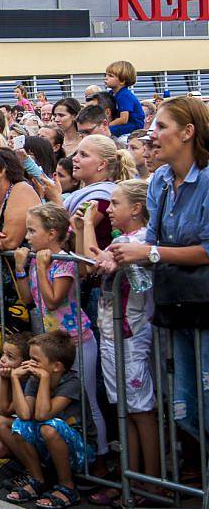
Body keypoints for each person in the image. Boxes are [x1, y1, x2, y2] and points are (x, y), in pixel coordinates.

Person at [108, 96, 209, 447]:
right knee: (186, 404)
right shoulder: (161, 180)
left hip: (204, 305)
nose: (151, 135)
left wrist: (149, 252)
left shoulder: (208, 179)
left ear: (188, 132)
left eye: (161, 127)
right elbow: (151, 240)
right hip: (176, 305)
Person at [75, 180, 160, 506]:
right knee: (125, 409)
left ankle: (149, 484)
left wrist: (99, 251)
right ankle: (131, 477)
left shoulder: (140, 242)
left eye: (114, 204)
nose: (107, 210)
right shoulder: (123, 241)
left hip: (131, 335)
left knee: (140, 411)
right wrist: (83, 228)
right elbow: (91, 263)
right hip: (112, 334)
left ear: (136, 208)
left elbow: (100, 265)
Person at [14, 203, 108, 471]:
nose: (27, 236)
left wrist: (42, 268)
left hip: (77, 342)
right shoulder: (36, 260)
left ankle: (100, 458)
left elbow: (53, 300)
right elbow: (27, 299)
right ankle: (67, 458)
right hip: (53, 345)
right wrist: (21, 267)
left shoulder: (63, 261)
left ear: (52, 233)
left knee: (87, 399)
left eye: (32, 231)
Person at [0, 331, 95, 508]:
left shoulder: (71, 383)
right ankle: (38, 480)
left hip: (82, 452)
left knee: (48, 427)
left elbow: (43, 415)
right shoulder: (35, 379)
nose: (29, 364)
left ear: (56, 366)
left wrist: (44, 379)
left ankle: (68, 487)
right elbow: (24, 414)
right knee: (21, 424)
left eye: (35, 360)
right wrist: (13, 378)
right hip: (51, 447)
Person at [0, 331, 33, 459]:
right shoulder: (15, 376)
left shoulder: (31, 381)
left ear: (26, 362)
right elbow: (5, 410)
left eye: (10, 357)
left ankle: (34, 469)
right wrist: (3, 378)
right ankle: (30, 465)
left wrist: (5, 379)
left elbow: (5, 411)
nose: (3, 359)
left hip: (36, 430)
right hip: (25, 428)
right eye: (3, 353)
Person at [105, 60, 145, 138]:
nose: (106, 78)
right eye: (106, 75)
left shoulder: (124, 95)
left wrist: (106, 126)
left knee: (105, 131)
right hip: (124, 124)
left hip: (133, 126)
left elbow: (123, 119)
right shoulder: (111, 93)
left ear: (122, 81)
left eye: (110, 76)